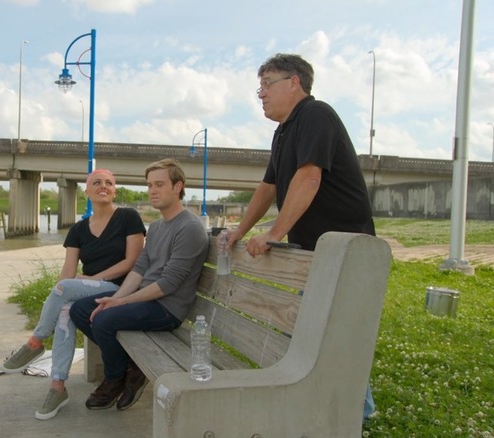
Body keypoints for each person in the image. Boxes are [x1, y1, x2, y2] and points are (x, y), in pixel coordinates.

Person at [222, 53, 377, 420]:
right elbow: (268, 187)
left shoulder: (316, 114)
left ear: (294, 82)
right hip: (316, 251)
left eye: (266, 85)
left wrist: (275, 232)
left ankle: (359, 411)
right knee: (320, 330)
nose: (260, 94)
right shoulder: (284, 131)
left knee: (336, 331)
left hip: (347, 248)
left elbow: (309, 176)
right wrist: (239, 231)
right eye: (258, 87)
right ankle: (351, 406)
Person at [1, 168, 146, 420]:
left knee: (67, 289)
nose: (104, 186)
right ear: (87, 191)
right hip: (91, 290)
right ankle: (57, 386)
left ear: (114, 190)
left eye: (109, 183)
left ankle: (36, 342)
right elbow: (67, 273)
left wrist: (92, 279)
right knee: (66, 310)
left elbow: (132, 262)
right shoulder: (78, 229)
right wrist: (59, 298)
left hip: (121, 288)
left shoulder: (128, 217)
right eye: (97, 182)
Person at [69, 158, 209, 412]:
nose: (152, 190)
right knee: (80, 309)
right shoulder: (155, 227)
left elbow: (169, 283)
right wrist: (116, 298)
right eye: (149, 185)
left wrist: (120, 302)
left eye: (159, 184)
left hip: (167, 308)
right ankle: (131, 368)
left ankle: (114, 379)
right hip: (147, 300)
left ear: (178, 187)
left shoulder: (189, 227)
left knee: (103, 320)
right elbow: (139, 269)